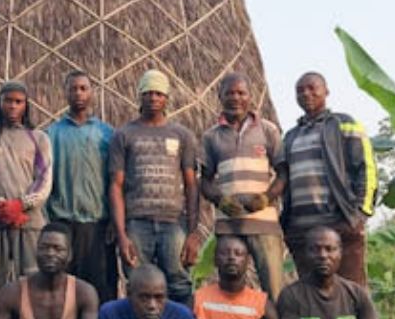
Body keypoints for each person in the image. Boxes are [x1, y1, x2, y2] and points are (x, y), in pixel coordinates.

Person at [271, 72, 376, 285]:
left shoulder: (344, 124)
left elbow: (366, 168)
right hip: (300, 229)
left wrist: (359, 215)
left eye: (312, 88)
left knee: (350, 291)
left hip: (338, 224)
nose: (306, 94)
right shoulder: (290, 136)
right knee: (311, 295)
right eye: (300, 91)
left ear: (326, 91)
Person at [109, 69, 202, 306]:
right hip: (136, 223)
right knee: (138, 283)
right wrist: (122, 234)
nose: (153, 98)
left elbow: (192, 186)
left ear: (167, 98)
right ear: (139, 96)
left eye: (159, 93)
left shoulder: (182, 135)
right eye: (148, 93)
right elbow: (116, 186)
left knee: (179, 282)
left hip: (173, 223)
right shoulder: (124, 135)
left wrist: (192, 232)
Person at [199, 72, 287, 299]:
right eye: (229, 93)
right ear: (220, 96)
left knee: (274, 290)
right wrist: (221, 200)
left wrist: (267, 197)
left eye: (241, 93)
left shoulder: (268, 130)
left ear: (250, 97)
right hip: (229, 226)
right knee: (230, 289)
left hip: (264, 224)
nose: (235, 98)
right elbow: (205, 181)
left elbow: (283, 174)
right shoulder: (211, 137)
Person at [0, 80, 54, 290]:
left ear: (26, 105)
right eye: (8, 101)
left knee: (34, 283)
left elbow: (44, 179)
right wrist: (0, 205)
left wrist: (21, 205)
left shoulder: (38, 138)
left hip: (29, 222)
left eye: (18, 101)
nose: (13, 106)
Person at [46, 70, 118, 303]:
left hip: (98, 225)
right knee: (62, 292)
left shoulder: (107, 134)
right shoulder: (51, 134)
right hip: (63, 223)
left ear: (92, 93)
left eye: (83, 88)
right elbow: (44, 179)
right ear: (65, 93)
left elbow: (117, 180)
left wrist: (114, 221)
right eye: (73, 88)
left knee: (102, 291)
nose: (78, 93)